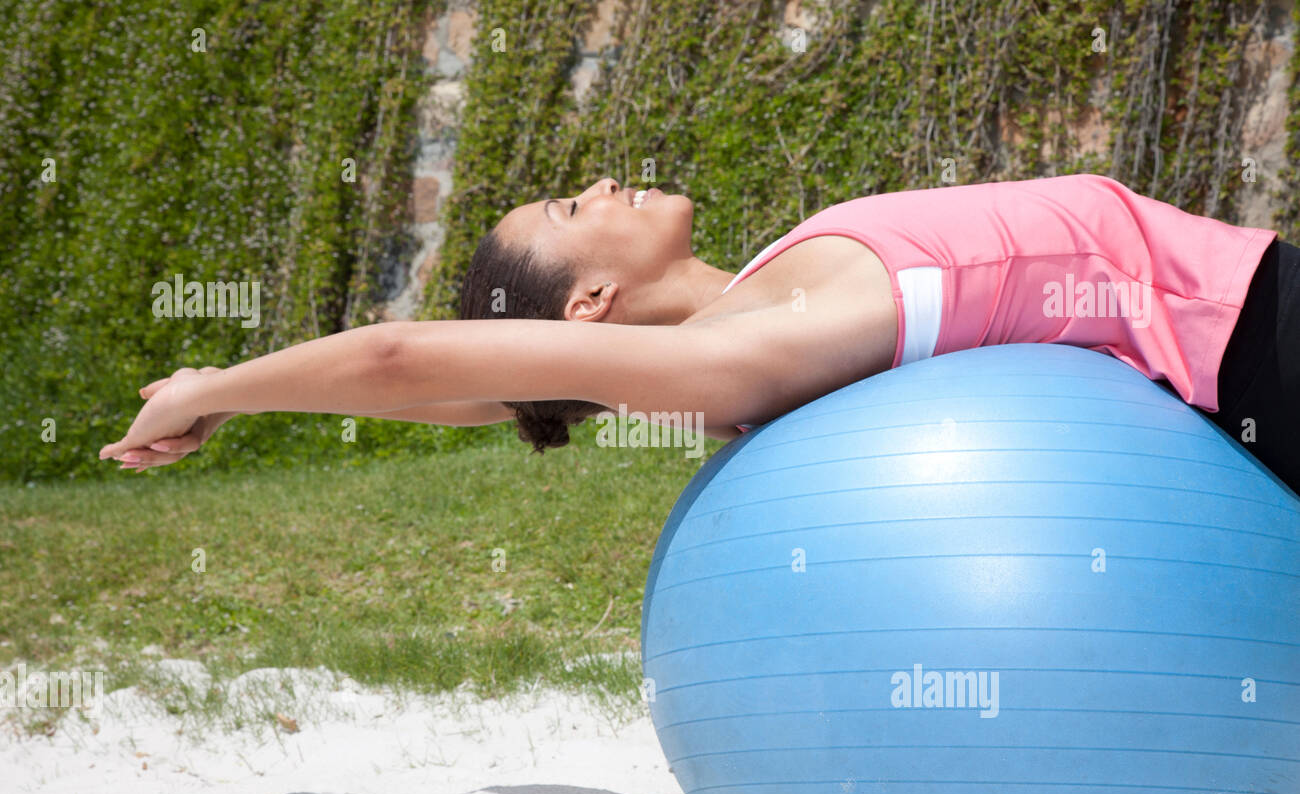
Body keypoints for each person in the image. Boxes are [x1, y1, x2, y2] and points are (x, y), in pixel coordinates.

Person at [100, 173, 1298, 494]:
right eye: (575, 212)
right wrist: (214, 381)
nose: (603, 184)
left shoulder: (749, 308)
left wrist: (225, 395)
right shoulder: (728, 358)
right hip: (1254, 338)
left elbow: (480, 395)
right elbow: (404, 357)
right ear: (586, 309)